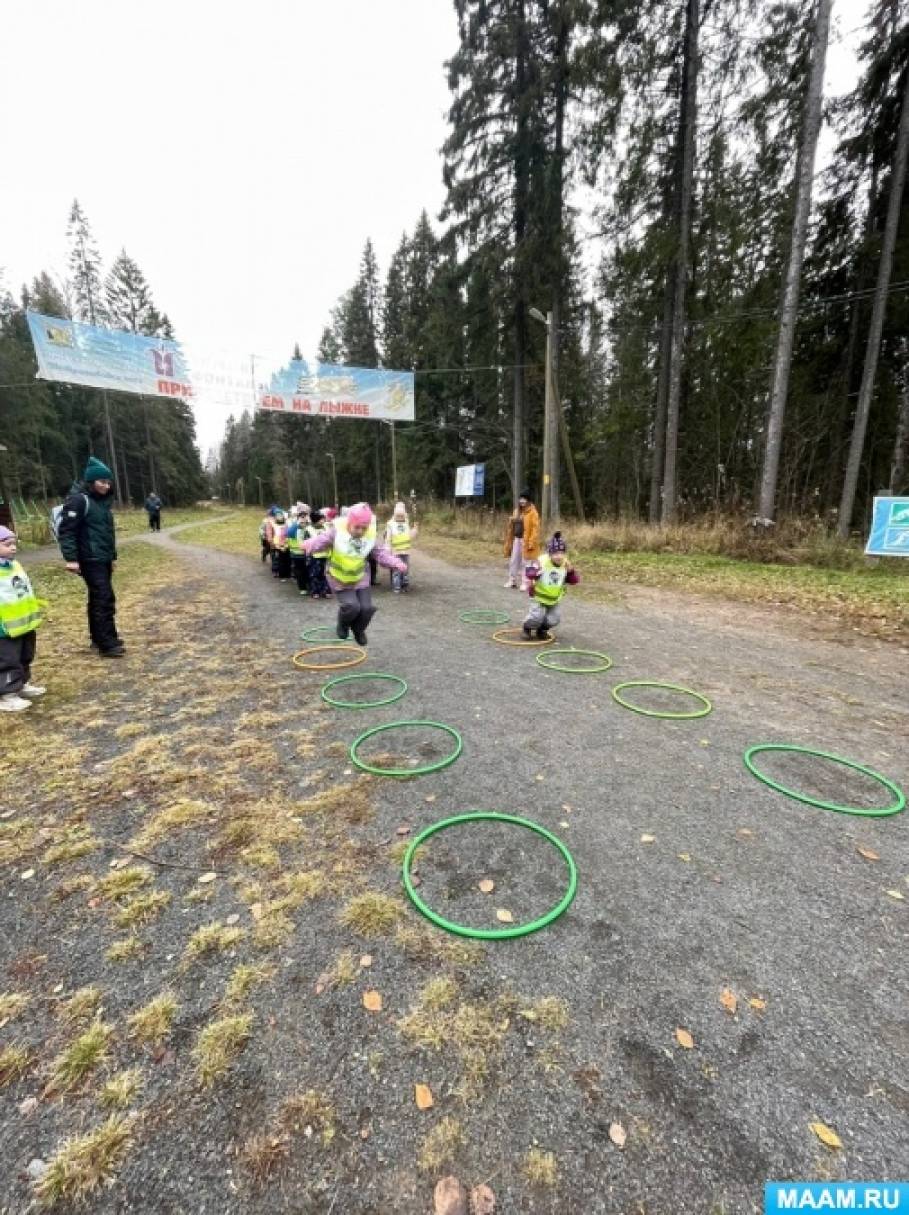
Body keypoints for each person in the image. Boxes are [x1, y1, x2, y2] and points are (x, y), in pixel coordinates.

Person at [302, 502, 406, 645]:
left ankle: (358, 630)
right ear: (349, 523)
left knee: (366, 609)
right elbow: (321, 540)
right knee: (352, 607)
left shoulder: (369, 536)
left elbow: (381, 553)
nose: (360, 531)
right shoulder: (337, 532)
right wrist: (309, 545)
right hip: (339, 579)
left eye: (364, 528)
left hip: (360, 577)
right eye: (357, 527)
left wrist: (396, 563)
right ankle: (343, 624)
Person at [58, 457, 124, 658]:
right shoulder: (79, 500)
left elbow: (107, 534)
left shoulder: (102, 505)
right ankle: (107, 644)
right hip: (89, 558)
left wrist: (112, 557)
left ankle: (100, 637)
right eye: (101, 482)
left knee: (101, 598)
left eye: (107, 481)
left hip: (102, 558)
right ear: (91, 482)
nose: (106, 485)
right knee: (102, 597)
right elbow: (66, 530)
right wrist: (71, 558)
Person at [0, 526, 45, 712]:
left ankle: (22, 684)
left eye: (14, 544)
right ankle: (7, 694)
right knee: (7, 659)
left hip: (23, 622)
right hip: (4, 627)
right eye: (7, 544)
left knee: (25, 655)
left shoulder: (15, 565)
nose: (13, 548)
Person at [522, 531, 580, 640]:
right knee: (536, 617)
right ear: (550, 553)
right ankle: (527, 628)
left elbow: (574, 581)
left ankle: (542, 629)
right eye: (556, 553)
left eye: (562, 553)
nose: (559, 556)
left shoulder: (565, 564)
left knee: (555, 619)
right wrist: (534, 573)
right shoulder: (542, 561)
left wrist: (571, 571)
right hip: (538, 596)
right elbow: (529, 571)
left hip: (554, 598)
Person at [503, 489, 540, 589]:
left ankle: (525, 583)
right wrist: (511, 520)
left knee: (526, 562)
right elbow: (512, 527)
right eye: (521, 499)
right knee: (514, 560)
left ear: (528, 500)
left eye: (524, 499)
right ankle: (512, 580)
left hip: (526, 540)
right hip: (516, 539)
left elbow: (535, 529)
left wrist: (531, 542)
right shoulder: (517, 511)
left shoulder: (533, 513)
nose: (522, 501)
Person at [384, 500, 418, 592]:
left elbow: (410, 536)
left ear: (404, 515)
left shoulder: (406, 523)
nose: (400, 517)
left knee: (405, 569)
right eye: (398, 516)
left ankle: (404, 585)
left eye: (401, 516)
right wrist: (387, 549)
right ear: (394, 515)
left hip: (406, 552)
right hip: (395, 552)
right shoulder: (390, 524)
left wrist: (414, 530)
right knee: (397, 570)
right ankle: (396, 586)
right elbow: (388, 538)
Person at [304, 510, 331, 598]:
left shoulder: (326, 528)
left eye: (323, 519)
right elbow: (306, 543)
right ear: (316, 520)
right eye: (321, 519)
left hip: (325, 555)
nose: (323, 521)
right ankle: (315, 591)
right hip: (314, 556)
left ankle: (326, 590)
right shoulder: (309, 530)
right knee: (314, 574)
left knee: (325, 574)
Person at [286, 508, 311, 596]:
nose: (304, 518)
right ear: (298, 517)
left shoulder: (309, 527)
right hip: (297, 554)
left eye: (306, 516)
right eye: (302, 516)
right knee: (300, 571)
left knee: (307, 570)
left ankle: (309, 585)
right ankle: (302, 588)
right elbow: (289, 533)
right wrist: (298, 526)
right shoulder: (294, 527)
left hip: (307, 554)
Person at [265, 509, 291, 580]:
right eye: (278, 516)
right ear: (275, 517)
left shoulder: (287, 524)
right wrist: (272, 543)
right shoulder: (273, 524)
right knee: (279, 560)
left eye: (281, 515)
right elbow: (270, 534)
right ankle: (280, 573)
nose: (280, 517)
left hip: (286, 544)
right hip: (277, 545)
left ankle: (288, 574)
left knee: (287, 560)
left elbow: (289, 534)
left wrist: (287, 543)